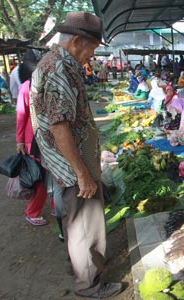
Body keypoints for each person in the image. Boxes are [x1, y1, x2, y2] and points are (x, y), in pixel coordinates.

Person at [29, 11, 122, 298]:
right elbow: (59, 127)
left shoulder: (53, 62)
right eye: (92, 48)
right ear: (78, 41)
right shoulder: (60, 70)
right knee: (86, 223)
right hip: (73, 166)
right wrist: (83, 174)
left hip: (66, 163)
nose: (92, 56)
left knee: (75, 221)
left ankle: (79, 267)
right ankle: (89, 283)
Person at [16, 50, 49, 226]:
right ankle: (32, 211)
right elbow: (21, 116)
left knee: (53, 174)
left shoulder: (47, 83)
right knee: (39, 176)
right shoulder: (26, 87)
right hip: (33, 140)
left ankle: (55, 205)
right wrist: (20, 140)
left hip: (50, 137)